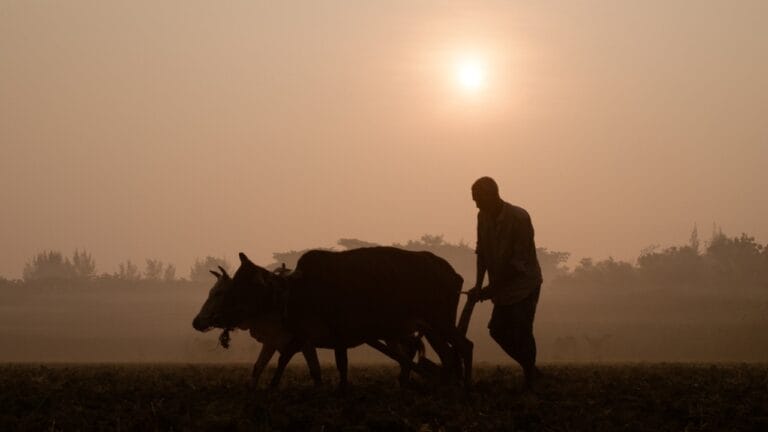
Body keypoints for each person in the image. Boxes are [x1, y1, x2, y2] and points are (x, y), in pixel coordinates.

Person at [467, 176, 543, 390]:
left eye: (479, 199)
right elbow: (481, 253)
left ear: (493, 196)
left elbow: (517, 264)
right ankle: (532, 369)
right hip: (501, 286)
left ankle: (530, 378)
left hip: (523, 285)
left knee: (522, 330)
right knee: (497, 331)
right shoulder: (482, 217)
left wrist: (489, 290)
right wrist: (479, 285)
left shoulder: (519, 218)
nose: (476, 204)